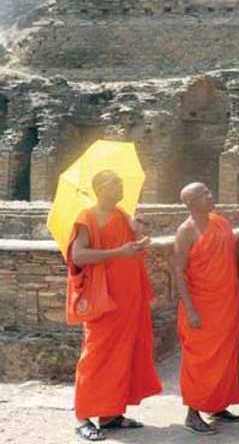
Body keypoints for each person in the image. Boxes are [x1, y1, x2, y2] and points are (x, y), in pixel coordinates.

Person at [68, 170, 161, 442]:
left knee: (123, 356)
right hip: (103, 299)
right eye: (116, 183)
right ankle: (83, 417)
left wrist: (142, 238)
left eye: (121, 181)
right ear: (100, 188)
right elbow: (79, 255)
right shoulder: (87, 217)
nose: (121, 186)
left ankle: (110, 414)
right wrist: (118, 252)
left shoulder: (121, 214)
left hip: (129, 298)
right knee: (96, 357)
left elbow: (133, 241)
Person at [173, 182, 239, 435]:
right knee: (199, 360)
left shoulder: (220, 222)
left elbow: (229, 256)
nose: (210, 195)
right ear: (190, 203)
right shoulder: (186, 231)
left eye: (208, 191)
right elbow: (179, 271)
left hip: (226, 302)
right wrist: (190, 309)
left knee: (225, 356)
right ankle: (193, 412)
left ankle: (217, 405)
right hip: (201, 305)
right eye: (203, 194)